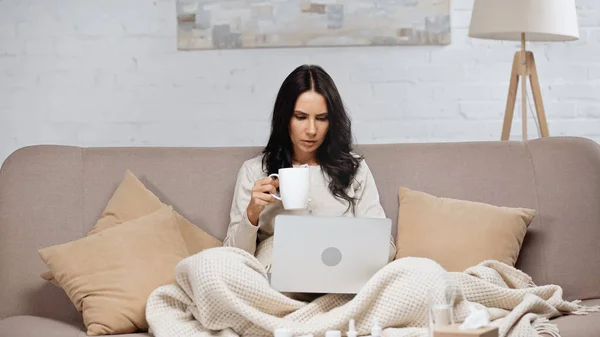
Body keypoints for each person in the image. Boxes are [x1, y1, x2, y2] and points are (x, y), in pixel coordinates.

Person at [223, 64, 396, 262]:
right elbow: (232, 257)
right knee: (205, 264)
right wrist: (252, 213)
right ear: (285, 118)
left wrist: (348, 241)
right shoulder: (255, 171)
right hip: (276, 276)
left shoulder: (354, 169)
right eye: (301, 117)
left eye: (322, 119)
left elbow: (387, 250)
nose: (312, 130)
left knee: (421, 271)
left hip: (340, 272)